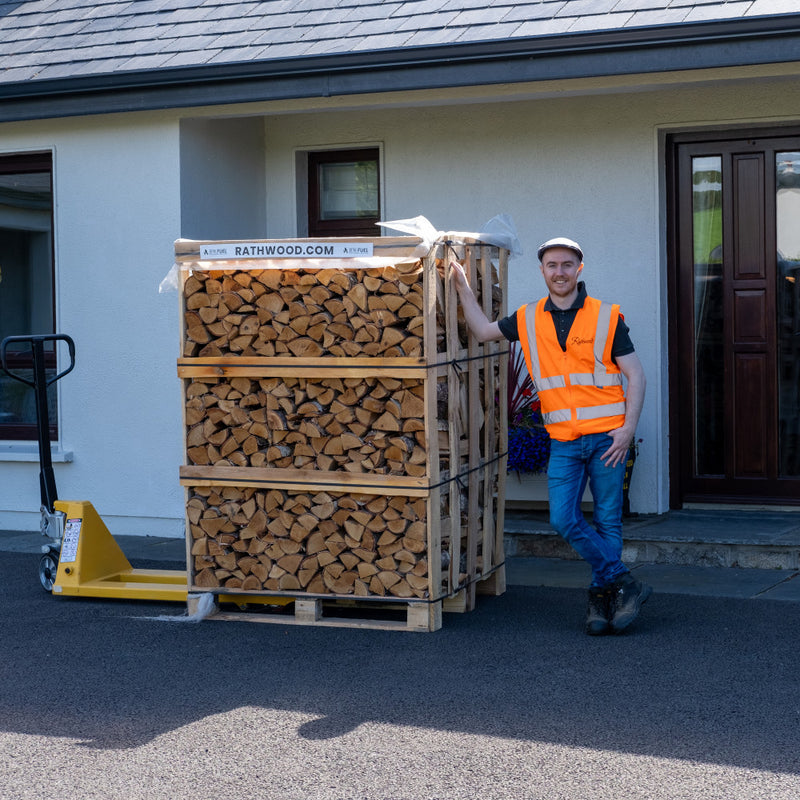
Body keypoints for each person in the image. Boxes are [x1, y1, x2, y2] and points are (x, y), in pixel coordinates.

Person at [450, 237, 650, 635]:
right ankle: (625, 582)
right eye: (552, 265)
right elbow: (483, 330)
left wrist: (627, 430)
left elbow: (636, 375)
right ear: (541, 271)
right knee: (562, 518)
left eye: (567, 264)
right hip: (565, 441)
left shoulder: (607, 316)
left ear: (580, 268)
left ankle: (601, 597)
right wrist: (462, 288)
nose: (559, 271)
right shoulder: (526, 318)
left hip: (609, 438)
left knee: (608, 521)